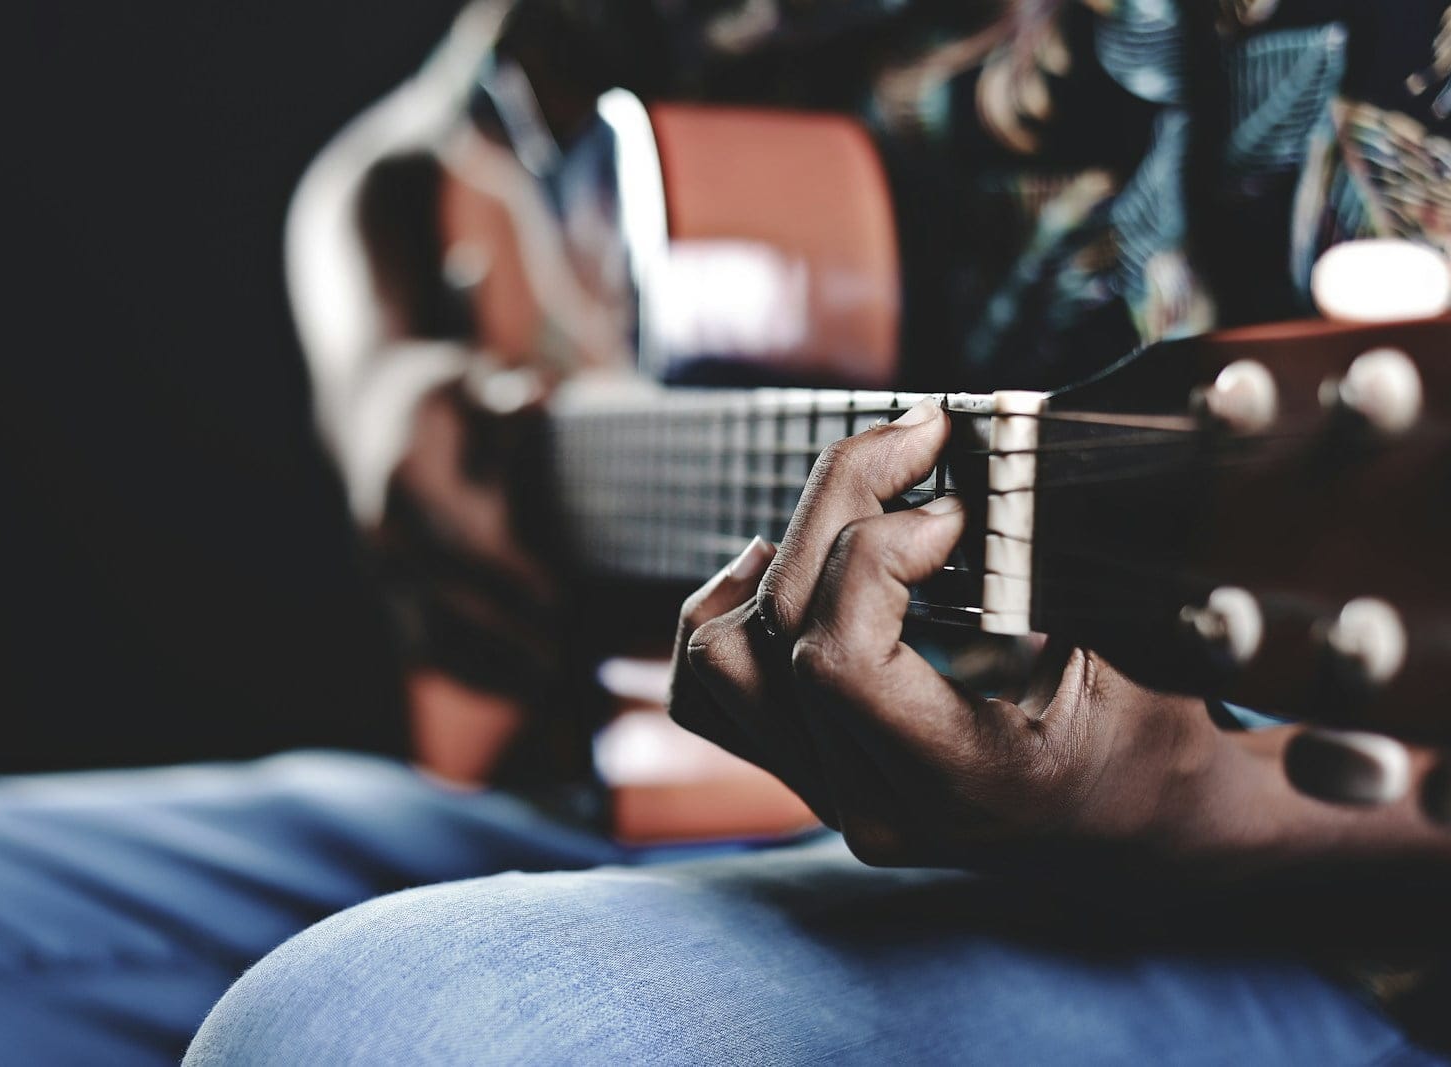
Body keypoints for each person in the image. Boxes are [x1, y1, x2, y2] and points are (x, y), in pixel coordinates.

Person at [184, 0, 1451, 1062]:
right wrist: (388, 374)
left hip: (1309, 940)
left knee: (374, 1025)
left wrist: (1194, 802)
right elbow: (401, 154)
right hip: (654, 774)